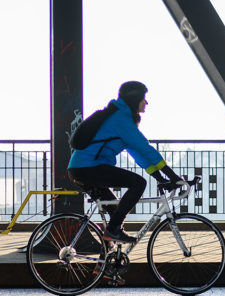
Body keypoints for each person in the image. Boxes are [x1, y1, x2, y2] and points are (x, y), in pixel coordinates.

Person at [68, 80, 183, 244]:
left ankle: (104, 262)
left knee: (115, 212)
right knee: (138, 183)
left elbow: (138, 153)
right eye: (144, 98)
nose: (147, 102)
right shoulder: (122, 119)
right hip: (88, 168)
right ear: (135, 99)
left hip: (81, 168)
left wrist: (161, 178)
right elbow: (146, 149)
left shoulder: (121, 117)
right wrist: (173, 176)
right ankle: (112, 231)